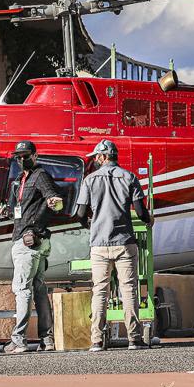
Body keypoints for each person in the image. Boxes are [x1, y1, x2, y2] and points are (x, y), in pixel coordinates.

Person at [73, 140, 151, 352]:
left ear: (102, 157)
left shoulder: (90, 180)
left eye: (96, 157)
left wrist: (91, 225)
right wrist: (149, 220)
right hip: (125, 242)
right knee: (129, 290)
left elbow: (79, 214)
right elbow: (141, 212)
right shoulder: (129, 177)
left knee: (100, 291)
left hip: (99, 244)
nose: (95, 160)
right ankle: (134, 339)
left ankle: (96, 340)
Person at [3, 140, 64, 353]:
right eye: (18, 156)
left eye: (25, 155)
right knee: (38, 289)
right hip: (32, 240)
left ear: (35, 156)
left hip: (28, 241)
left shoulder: (40, 175)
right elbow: (26, 208)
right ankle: (47, 339)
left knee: (22, 290)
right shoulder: (22, 179)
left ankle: (19, 340)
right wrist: (9, 213)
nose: (21, 159)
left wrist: (34, 229)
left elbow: (54, 201)